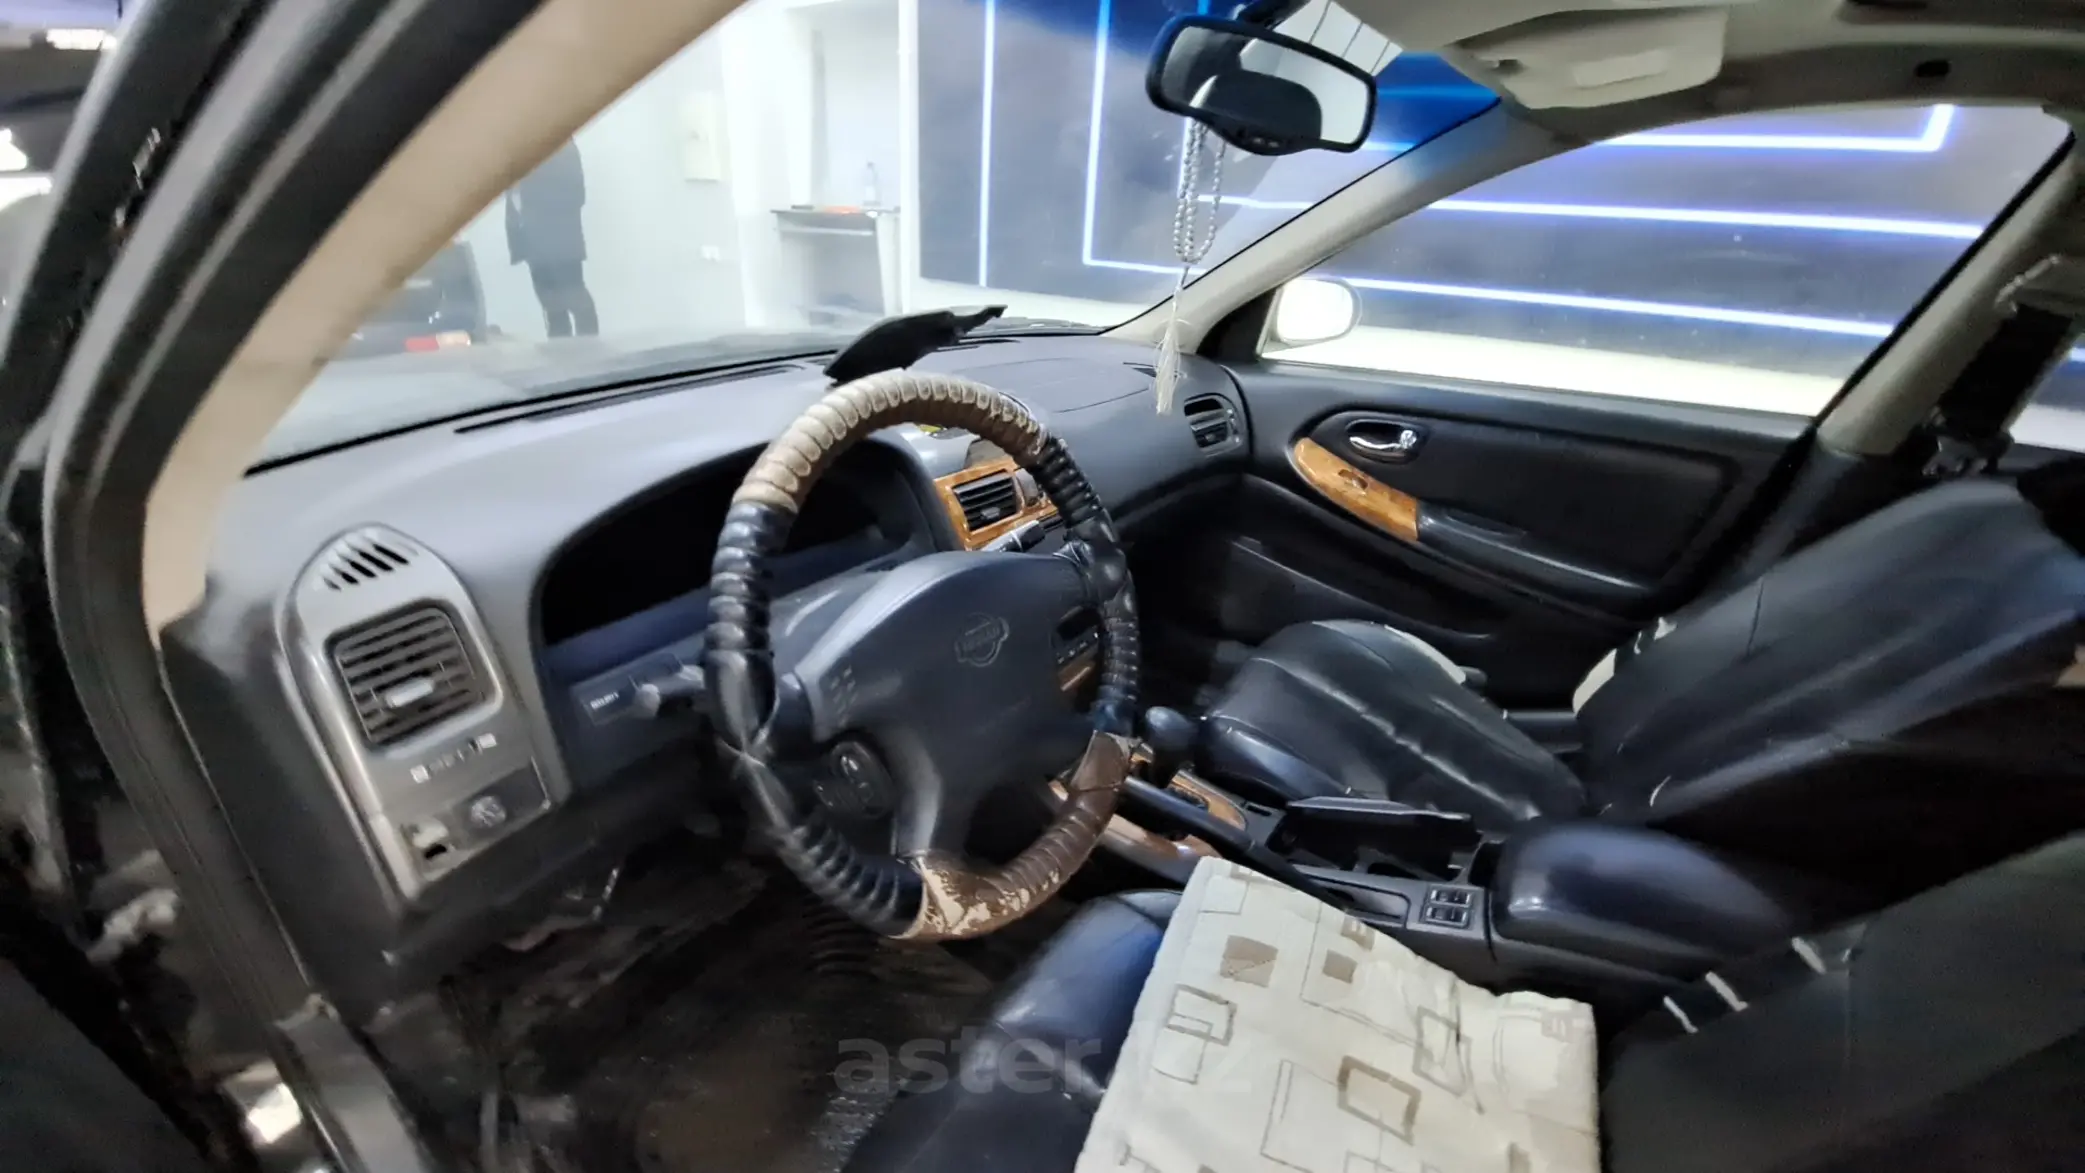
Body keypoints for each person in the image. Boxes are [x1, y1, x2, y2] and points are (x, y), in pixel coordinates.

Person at [504, 140, 597, 338]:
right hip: (530, 241)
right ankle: (560, 351)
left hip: (559, 240)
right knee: (550, 305)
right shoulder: (515, 151)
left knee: (575, 297)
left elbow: (576, 195)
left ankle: (590, 350)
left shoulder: (559, 144)